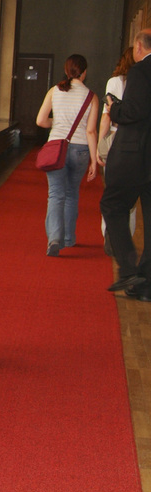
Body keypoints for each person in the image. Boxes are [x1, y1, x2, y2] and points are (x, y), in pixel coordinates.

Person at [101, 28, 151, 298]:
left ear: (139, 47)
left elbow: (135, 111)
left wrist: (114, 107)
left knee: (113, 205)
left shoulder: (141, 70)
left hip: (135, 154)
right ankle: (146, 285)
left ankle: (129, 268)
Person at [35, 54, 98, 257]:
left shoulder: (54, 91)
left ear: (66, 70)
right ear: (84, 72)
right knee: (72, 194)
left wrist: (57, 123)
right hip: (80, 150)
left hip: (56, 147)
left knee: (55, 194)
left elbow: (40, 121)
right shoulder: (91, 97)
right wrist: (94, 160)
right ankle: (69, 237)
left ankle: (54, 239)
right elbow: (91, 131)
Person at [97, 47, 136, 256]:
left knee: (112, 190)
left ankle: (109, 234)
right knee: (132, 194)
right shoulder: (144, 81)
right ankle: (126, 237)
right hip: (137, 140)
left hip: (115, 138)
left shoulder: (114, 82)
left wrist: (100, 144)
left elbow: (107, 115)